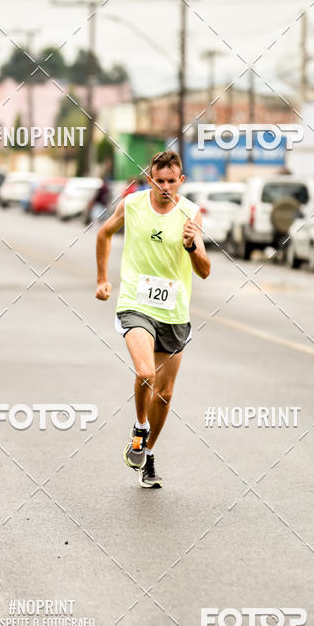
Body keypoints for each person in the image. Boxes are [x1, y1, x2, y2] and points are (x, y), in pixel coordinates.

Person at [95, 151, 211, 488]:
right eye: (158, 181)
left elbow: (204, 271)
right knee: (145, 373)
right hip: (135, 302)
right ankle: (140, 426)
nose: (164, 187)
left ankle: (146, 453)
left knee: (166, 393)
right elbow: (104, 233)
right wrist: (102, 279)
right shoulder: (132, 206)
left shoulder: (190, 214)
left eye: (171, 181)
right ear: (150, 180)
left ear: (181, 181)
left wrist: (192, 247)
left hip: (174, 312)